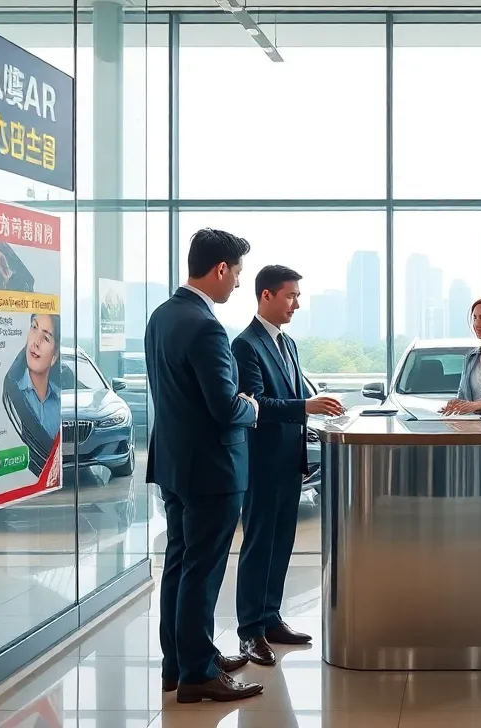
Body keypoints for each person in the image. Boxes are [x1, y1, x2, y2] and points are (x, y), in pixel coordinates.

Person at [144, 228, 263, 703]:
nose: (237, 284)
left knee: (179, 563)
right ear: (219, 269)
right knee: (202, 570)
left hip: (174, 464)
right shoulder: (207, 326)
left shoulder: (161, 317)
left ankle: (180, 661)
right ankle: (197, 672)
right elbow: (224, 406)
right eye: (236, 273)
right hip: (212, 470)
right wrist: (251, 407)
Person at [232, 265, 344, 666]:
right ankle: (249, 631)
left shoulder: (289, 344)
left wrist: (313, 410)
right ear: (266, 296)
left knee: (281, 544)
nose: (297, 302)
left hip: (288, 462)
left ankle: (270, 617)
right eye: (290, 295)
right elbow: (256, 405)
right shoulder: (245, 345)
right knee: (259, 545)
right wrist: (306, 407)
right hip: (262, 462)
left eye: (297, 295)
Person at [15, 313, 60, 439]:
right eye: (34, 327)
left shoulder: (60, 400)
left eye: (46, 338)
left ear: (54, 357)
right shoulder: (14, 392)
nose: (36, 342)